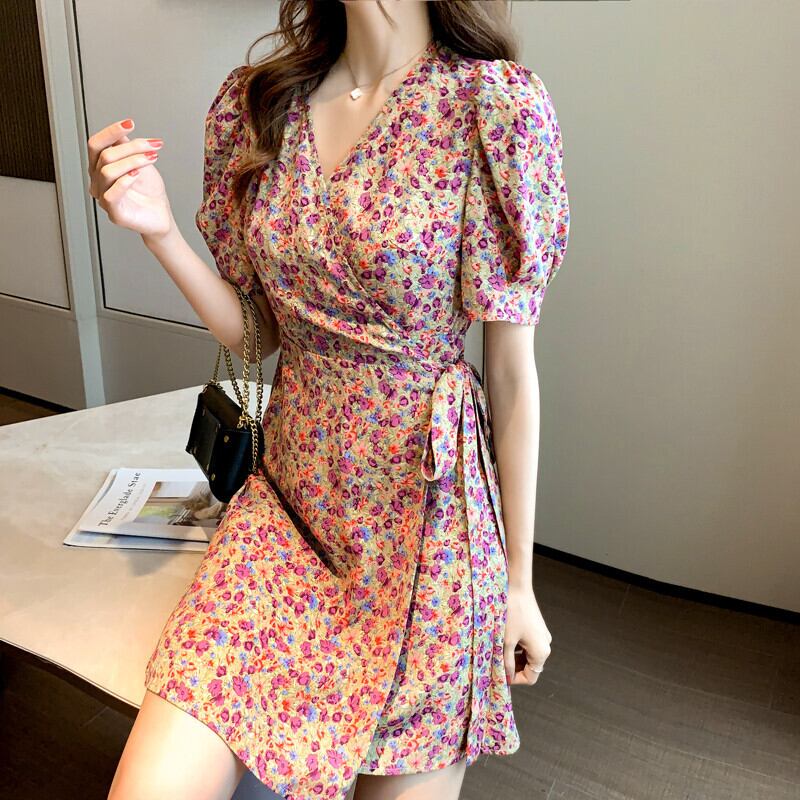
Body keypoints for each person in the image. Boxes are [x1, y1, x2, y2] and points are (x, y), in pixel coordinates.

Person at [88, 1, 569, 798]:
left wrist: (519, 583)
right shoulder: (262, 103)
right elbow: (258, 336)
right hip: (288, 515)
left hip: (428, 537)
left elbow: (512, 375)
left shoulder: (493, 107)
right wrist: (159, 230)